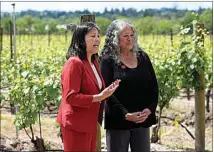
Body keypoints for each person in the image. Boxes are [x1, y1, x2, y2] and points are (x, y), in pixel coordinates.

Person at [56, 22, 120, 152]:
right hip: (76, 125)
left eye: (98, 36)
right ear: (81, 40)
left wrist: (107, 92)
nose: (97, 39)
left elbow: (96, 89)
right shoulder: (74, 63)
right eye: (92, 36)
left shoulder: (93, 62)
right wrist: (99, 97)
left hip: (90, 123)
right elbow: (71, 97)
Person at [100, 19, 158, 152]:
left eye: (132, 35)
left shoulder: (143, 57)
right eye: (125, 36)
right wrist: (125, 114)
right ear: (115, 38)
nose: (129, 39)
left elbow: (153, 86)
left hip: (142, 120)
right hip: (118, 121)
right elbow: (107, 92)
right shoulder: (107, 60)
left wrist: (150, 109)